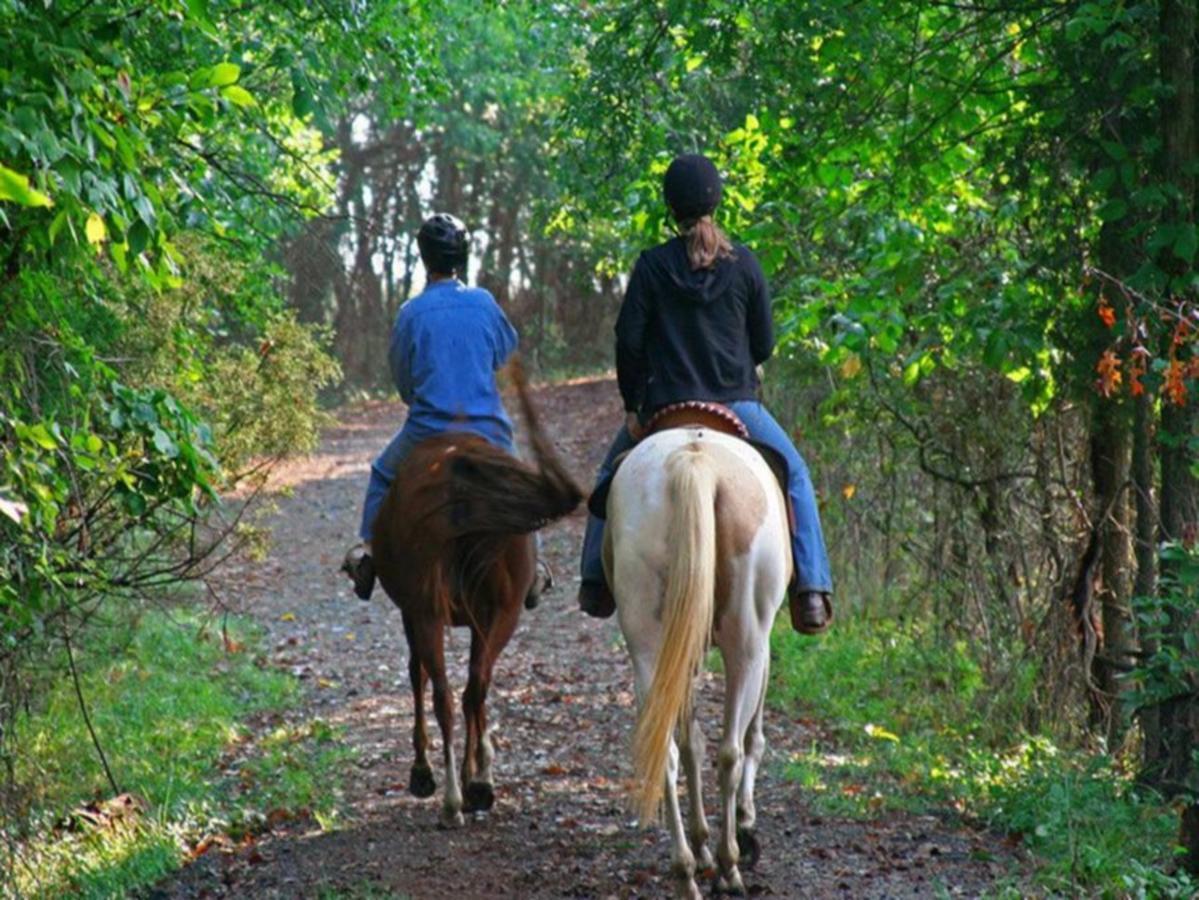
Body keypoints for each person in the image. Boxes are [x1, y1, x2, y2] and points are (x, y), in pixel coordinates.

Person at [576, 154, 834, 634]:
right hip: (736, 404)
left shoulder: (652, 266)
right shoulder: (745, 264)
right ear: (717, 201)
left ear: (669, 207)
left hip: (666, 406)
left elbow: (628, 341)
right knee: (794, 471)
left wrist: (635, 407)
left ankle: (594, 579)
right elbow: (765, 344)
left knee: (609, 474)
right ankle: (813, 589)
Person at [343, 212, 545, 604]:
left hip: (428, 430)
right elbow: (504, 353)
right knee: (523, 484)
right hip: (488, 429)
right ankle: (534, 569)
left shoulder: (410, 313)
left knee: (383, 472)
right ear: (462, 258)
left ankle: (367, 553)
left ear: (424, 259)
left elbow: (404, 380)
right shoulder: (484, 302)